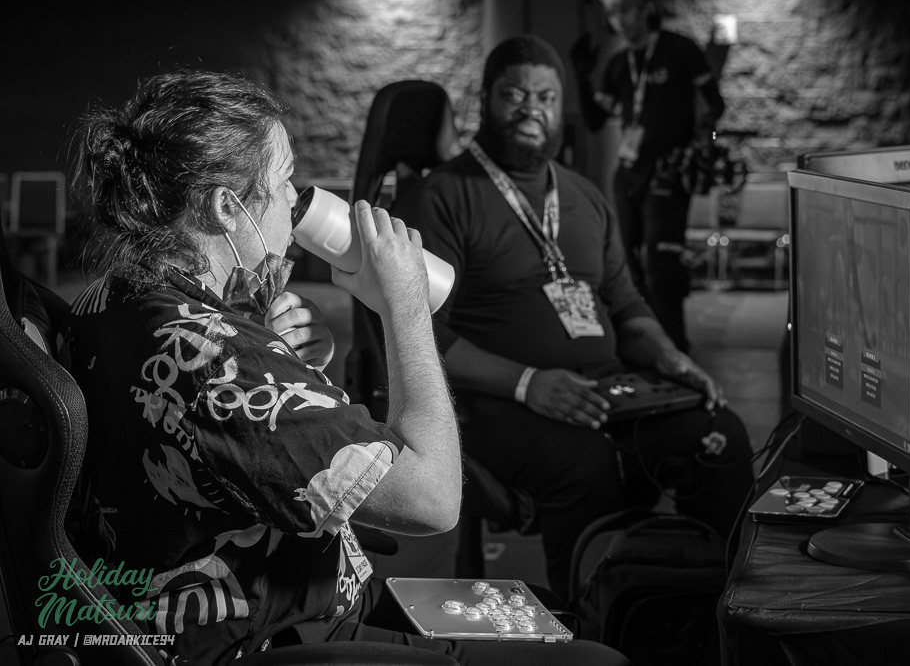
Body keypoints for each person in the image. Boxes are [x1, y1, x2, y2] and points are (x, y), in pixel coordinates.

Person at [63, 70, 629, 666]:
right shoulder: (223, 364)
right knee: (595, 661)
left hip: (241, 606)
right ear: (226, 207)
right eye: (284, 181)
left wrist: (285, 362)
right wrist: (405, 308)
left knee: (543, 615)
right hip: (274, 635)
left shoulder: (113, 299)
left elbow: (226, 428)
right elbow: (434, 501)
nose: (294, 200)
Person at [393, 36, 752, 604]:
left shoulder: (585, 196)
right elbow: (419, 335)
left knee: (719, 436)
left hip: (604, 392)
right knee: (587, 466)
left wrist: (670, 357)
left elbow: (627, 307)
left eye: (546, 97)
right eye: (514, 94)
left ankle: (715, 610)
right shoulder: (438, 200)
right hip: (494, 405)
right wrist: (529, 384)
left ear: (562, 109)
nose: (531, 108)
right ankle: (582, 622)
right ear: (484, 101)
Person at [571, 0, 726, 353]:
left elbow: (714, 105)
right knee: (629, 266)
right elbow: (595, 120)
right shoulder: (619, 63)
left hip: (668, 175)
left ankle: (676, 350)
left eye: (625, 10)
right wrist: (581, 75)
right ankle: (646, 348)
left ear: (646, 9)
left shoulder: (679, 49)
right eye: (612, 13)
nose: (619, 20)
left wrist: (695, 147)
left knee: (662, 265)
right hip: (629, 174)